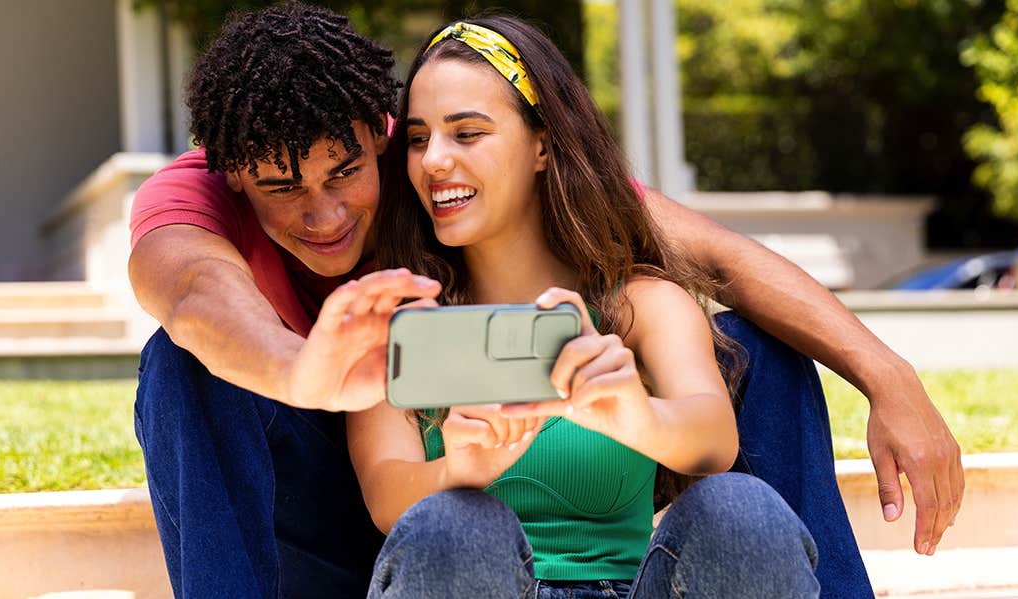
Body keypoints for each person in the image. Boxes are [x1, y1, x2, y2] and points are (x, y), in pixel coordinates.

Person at [127, 2, 960, 597]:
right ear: (234, 175)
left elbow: (715, 256)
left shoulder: (436, 165)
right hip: (383, 497)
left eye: (348, 171)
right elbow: (194, 295)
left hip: (571, 518)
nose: (325, 212)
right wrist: (313, 376)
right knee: (182, 361)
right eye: (282, 189)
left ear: (378, 136)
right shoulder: (211, 201)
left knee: (760, 344)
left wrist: (889, 377)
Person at [351, 15, 820, 597]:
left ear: (542, 145)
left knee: (741, 509)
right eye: (419, 139)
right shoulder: (398, 320)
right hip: (468, 575)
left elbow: (714, 439)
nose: (433, 161)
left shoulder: (638, 306)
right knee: (454, 525)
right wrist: (458, 469)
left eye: (466, 133)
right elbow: (384, 493)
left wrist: (633, 414)